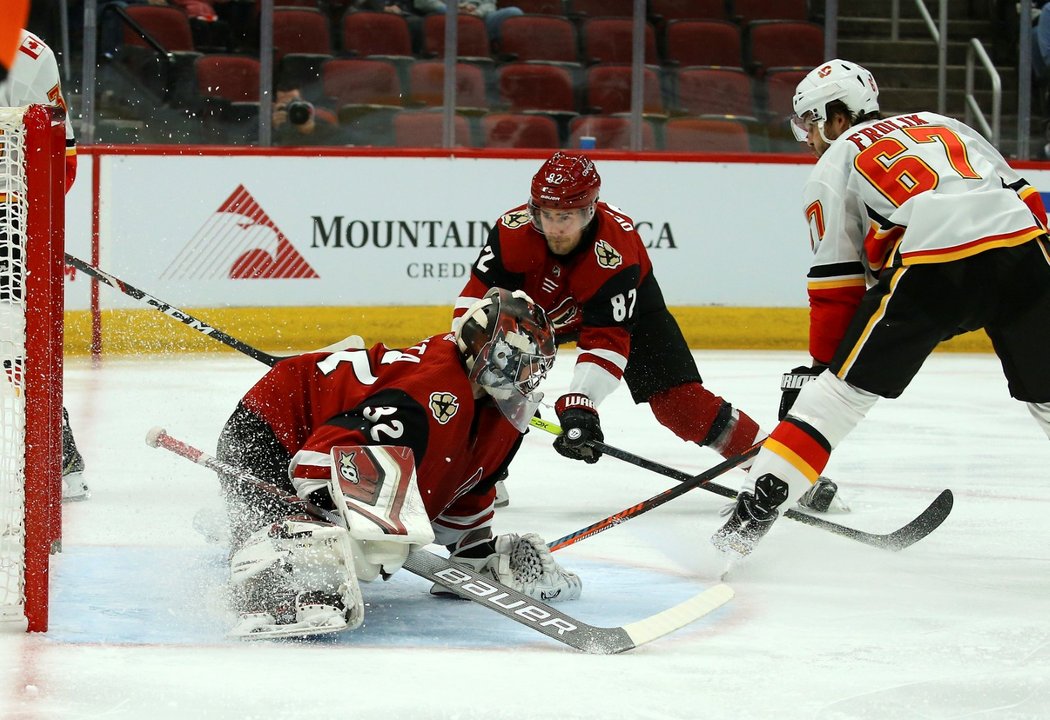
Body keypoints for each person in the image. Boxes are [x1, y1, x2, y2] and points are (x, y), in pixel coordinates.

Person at [712, 59, 1050, 558]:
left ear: (837, 118)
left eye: (809, 122)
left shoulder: (835, 162)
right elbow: (1026, 199)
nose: (806, 137)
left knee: (836, 402)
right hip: (1026, 254)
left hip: (935, 266)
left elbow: (836, 286)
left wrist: (822, 372)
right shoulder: (945, 123)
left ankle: (738, 534)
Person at [451, 152, 843, 511]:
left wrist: (580, 401)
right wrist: (470, 351)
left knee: (681, 406)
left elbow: (607, 339)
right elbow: (474, 301)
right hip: (539, 319)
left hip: (634, 314)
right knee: (487, 374)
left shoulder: (616, 251)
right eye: (544, 215)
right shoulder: (511, 231)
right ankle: (482, 478)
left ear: (590, 210)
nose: (553, 227)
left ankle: (786, 470)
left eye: (565, 216)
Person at [215, 287, 582, 639]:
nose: (528, 377)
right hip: (273, 426)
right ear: (486, 354)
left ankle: (287, 541)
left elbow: (470, 477)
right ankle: (269, 573)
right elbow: (327, 450)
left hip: (324, 429)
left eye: (535, 366)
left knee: (370, 539)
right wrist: (333, 516)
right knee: (324, 549)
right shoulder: (426, 393)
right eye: (519, 363)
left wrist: (471, 548)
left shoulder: (495, 405)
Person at [0, 28, 86, 501]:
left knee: (12, 336)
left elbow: (60, 158)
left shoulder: (27, 52)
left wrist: (26, 225)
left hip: (4, 207)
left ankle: (59, 456)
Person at [415, 0, 523, 45]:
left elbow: (489, 4)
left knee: (513, 13)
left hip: (478, 18)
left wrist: (477, 13)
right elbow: (422, 2)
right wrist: (453, 10)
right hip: (444, 16)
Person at [271, 83, 341, 147]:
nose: (292, 109)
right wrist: (273, 128)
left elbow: (340, 141)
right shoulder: (264, 124)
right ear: (274, 106)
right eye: (286, 104)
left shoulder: (322, 120)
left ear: (304, 103)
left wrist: (310, 130)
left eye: (294, 103)